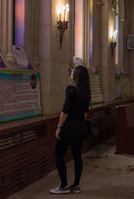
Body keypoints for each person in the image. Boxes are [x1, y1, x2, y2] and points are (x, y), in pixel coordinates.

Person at [50, 65, 91, 194]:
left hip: (68, 128)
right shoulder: (86, 92)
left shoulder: (71, 89)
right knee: (77, 156)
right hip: (80, 127)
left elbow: (65, 111)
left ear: (76, 75)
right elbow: (85, 113)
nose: (71, 72)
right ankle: (76, 185)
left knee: (59, 154)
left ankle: (63, 185)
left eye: (73, 71)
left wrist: (59, 127)